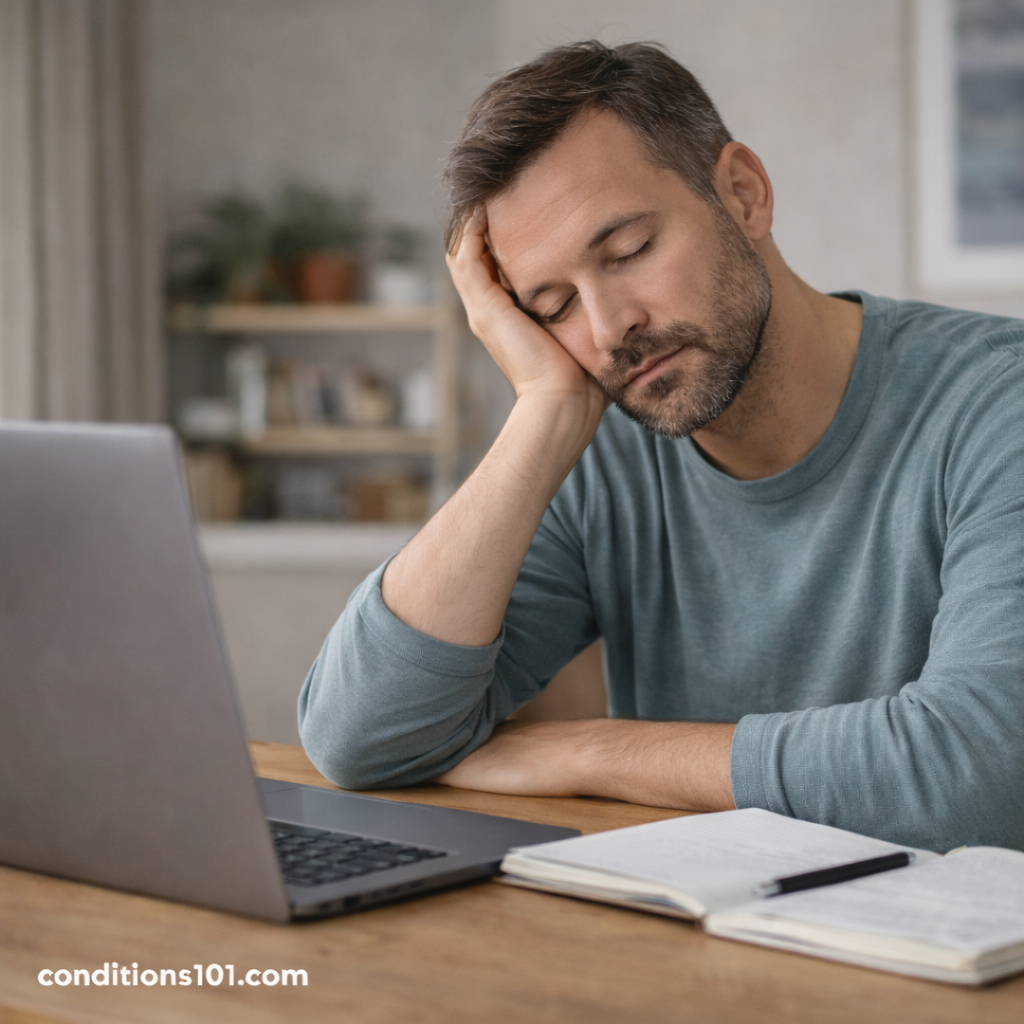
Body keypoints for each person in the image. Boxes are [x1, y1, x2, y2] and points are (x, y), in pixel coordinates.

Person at [298, 41, 1023, 851]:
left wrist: (598, 749)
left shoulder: (1000, 403)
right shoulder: (600, 449)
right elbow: (357, 740)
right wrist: (543, 412)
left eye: (629, 252)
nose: (610, 329)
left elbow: (984, 773)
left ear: (744, 195)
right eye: (553, 303)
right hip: (702, 956)